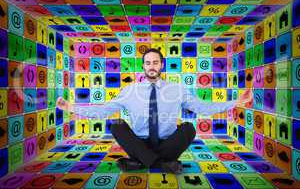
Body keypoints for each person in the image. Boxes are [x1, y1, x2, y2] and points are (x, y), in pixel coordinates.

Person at [56, 48, 253, 174]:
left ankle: (142, 162)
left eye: (155, 62)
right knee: (116, 124)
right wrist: (70, 107)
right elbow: (103, 111)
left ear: (161, 65)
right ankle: (161, 164)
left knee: (188, 128)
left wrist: (236, 101)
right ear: (143, 66)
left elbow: (203, 108)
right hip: (139, 141)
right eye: (148, 63)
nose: (151, 66)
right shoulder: (129, 90)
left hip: (167, 143)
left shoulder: (176, 89)